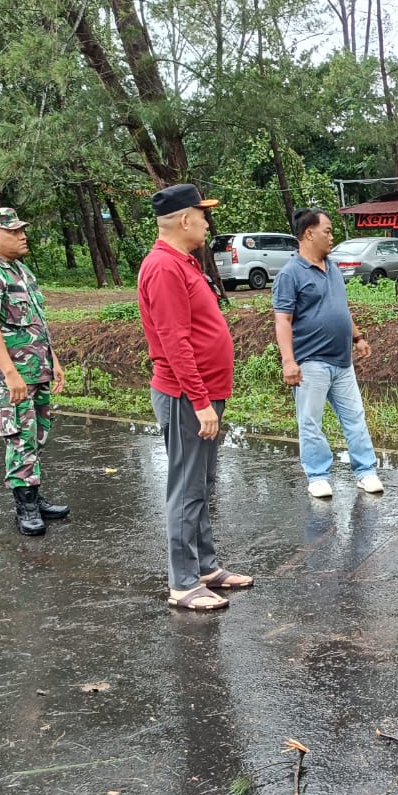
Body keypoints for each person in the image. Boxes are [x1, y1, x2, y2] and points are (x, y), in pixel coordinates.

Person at [137, 183, 253, 612]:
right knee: (186, 489)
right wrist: (200, 400)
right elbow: (174, 340)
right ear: (185, 219)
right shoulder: (164, 268)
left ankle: (205, 567)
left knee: (201, 485)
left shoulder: (181, 263)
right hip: (186, 397)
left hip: (201, 394)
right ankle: (183, 583)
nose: (207, 222)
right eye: (202, 215)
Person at [0, 206, 67, 535]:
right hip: (9, 377)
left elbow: (37, 323)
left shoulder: (20, 270)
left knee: (37, 434)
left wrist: (54, 362)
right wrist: (11, 374)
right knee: (20, 438)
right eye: (13, 232)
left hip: (36, 370)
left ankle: (34, 496)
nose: (22, 235)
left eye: (22, 229)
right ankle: (24, 506)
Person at [272, 208, 384, 498]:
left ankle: (366, 472)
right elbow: (283, 320)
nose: (332, 236)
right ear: (309, 233)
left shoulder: (332, 267)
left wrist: (358, 337)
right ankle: (318, 475)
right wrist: (288, 362)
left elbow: (341, 307)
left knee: (355, 417)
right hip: (311, 363)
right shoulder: (290, 274)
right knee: (310, 422)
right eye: (328, 230)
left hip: (341, 361)